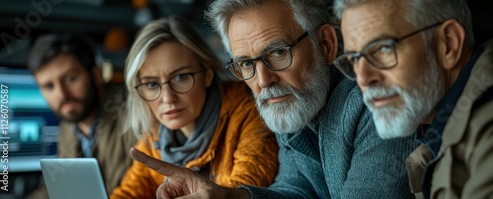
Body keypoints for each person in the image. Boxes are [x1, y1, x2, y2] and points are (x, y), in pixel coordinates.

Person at [128, 0, 420, 198]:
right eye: (246, 63)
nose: (263, 80)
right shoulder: (294, 104)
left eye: (278, 52)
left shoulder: (376, 102)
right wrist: (231, 197)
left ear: (327, 44)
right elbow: (297, 190)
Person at [332, 0, 493, 198]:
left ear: (449, 44)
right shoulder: (435, 132)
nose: (363, 78)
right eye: (355, 59)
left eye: (383, 49)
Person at [110, 16, 279, 199]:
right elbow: (128, 193)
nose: (168, 98)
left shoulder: (248, 112)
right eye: (151, 85)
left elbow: (241, 189)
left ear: (207, 74)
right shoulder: (155, 137)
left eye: (181, 77)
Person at [26, 32, 138, 198]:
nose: (62, 94)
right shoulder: (67, 129)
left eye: (71, 79)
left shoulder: (133, 112)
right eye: (49, 86)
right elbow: (55, 187)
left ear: (96, 74)